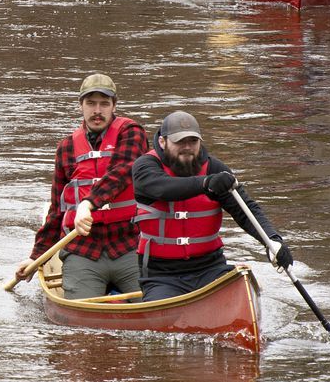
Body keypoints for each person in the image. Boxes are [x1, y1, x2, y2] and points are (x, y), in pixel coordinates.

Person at [131, 111, 293, 302]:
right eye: (179, 142)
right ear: (162, 142)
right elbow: (164, 188)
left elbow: (244, 210)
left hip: (211, 268)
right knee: (162, 325)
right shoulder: (145, 167)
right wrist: (206, 183)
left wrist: (272, 240)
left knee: (243, 293)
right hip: (162, 275)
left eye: (192, 141)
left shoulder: (216, 169)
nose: (187, 147)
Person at [15, 73, 148, 299]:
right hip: (83, 249)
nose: (97, 110)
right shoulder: (66, 148)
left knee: (148, 304)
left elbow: (121, 172)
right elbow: (58, 209)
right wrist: (37, 256)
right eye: (91, 103)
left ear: (114, 106)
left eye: (104, 104)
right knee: (82, 323)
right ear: (81, 106)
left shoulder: (131, 133)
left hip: (128, 244)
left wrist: (87, 204)